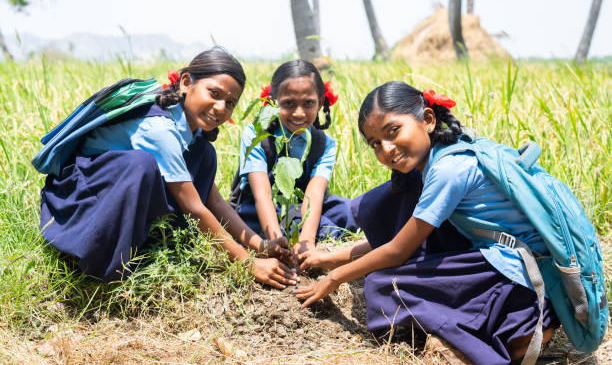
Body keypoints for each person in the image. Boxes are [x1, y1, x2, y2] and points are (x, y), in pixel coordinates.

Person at [293, 81, 559, 364]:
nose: (387, 149)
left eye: (393, 132)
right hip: (512, 264)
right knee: (395, 206)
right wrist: (327, 259)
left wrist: (334, 278)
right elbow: (394, 241)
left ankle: (508, 337)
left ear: (428, 120)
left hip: (525, 279)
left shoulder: (447, 171)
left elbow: (397, 250)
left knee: (385, 286)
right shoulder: (439, 159)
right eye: (375, 144)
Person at [39, 47, 299, 290]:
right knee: (141, 165)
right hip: (81, 201)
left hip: (117, 196)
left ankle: (149, 249)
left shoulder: (191, 133)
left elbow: (214, 201)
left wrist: (260, 244)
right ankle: (99, 259)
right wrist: (248, 263)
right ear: (186, 82)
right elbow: (194, 207)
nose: (220, 107)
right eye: (214, 93)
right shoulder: (160, 129)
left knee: (203, 155)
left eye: (230, 103)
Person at [233, 59, 357, 258]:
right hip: (261, 211)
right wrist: (274, 240)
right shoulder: (256, 135)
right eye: (288, 103)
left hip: (304, 211)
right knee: (246, 221)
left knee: (348, 210)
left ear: (320, 103)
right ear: (273, 102)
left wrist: (306, 242)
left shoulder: (325, 144)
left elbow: (314, 194)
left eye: (308, 103)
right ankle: (288, 233)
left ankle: (301, 232)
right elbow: (262, 195)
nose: (298, 113)